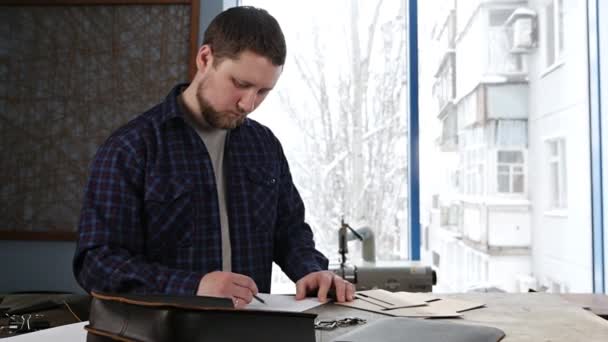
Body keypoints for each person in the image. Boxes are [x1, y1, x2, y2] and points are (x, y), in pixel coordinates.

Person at [73, 6, 355, 308]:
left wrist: (312, 270)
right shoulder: (131, 147)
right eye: (241, 84)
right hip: (165, 333)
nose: (248, 103)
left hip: (249, 329)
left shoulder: (264, 145)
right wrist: (193, 286)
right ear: (205, 58)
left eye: (263, 91)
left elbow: (289, 232)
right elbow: (96, 263)